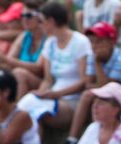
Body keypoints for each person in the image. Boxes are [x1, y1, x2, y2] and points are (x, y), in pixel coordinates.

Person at [20, 1, 91, 131]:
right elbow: (48, 80)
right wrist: (40, 94)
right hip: (53, 97)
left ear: (51, 21)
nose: (39, 25)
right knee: (26, 108)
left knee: (30, 113)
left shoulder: (80, 42)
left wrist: (57, 94)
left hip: (72, 100)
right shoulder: (50, 43)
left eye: (41, 21)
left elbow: (84, 81)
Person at [64, 22, 121, 144]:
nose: (94, 46)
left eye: (99, 42)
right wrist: (97, 84)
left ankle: (82, 139)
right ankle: (72, 140)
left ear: (111, 42)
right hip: (105, 92)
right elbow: (88, 83)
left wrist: (97, 64)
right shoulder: (93, 56)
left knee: (88, 96)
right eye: (92, 42)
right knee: (89, 95)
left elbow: (109, 90)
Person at [0, 0, 46, 101]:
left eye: (28, 15)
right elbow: (8, 66)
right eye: (22, 15)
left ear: (40, 17)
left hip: (42, 82)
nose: (24, 19)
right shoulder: (24, 36)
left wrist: (6, 60)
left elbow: (39, 69)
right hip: (21, 74)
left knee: (20, 73)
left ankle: (16, 114)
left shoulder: (48, 38)